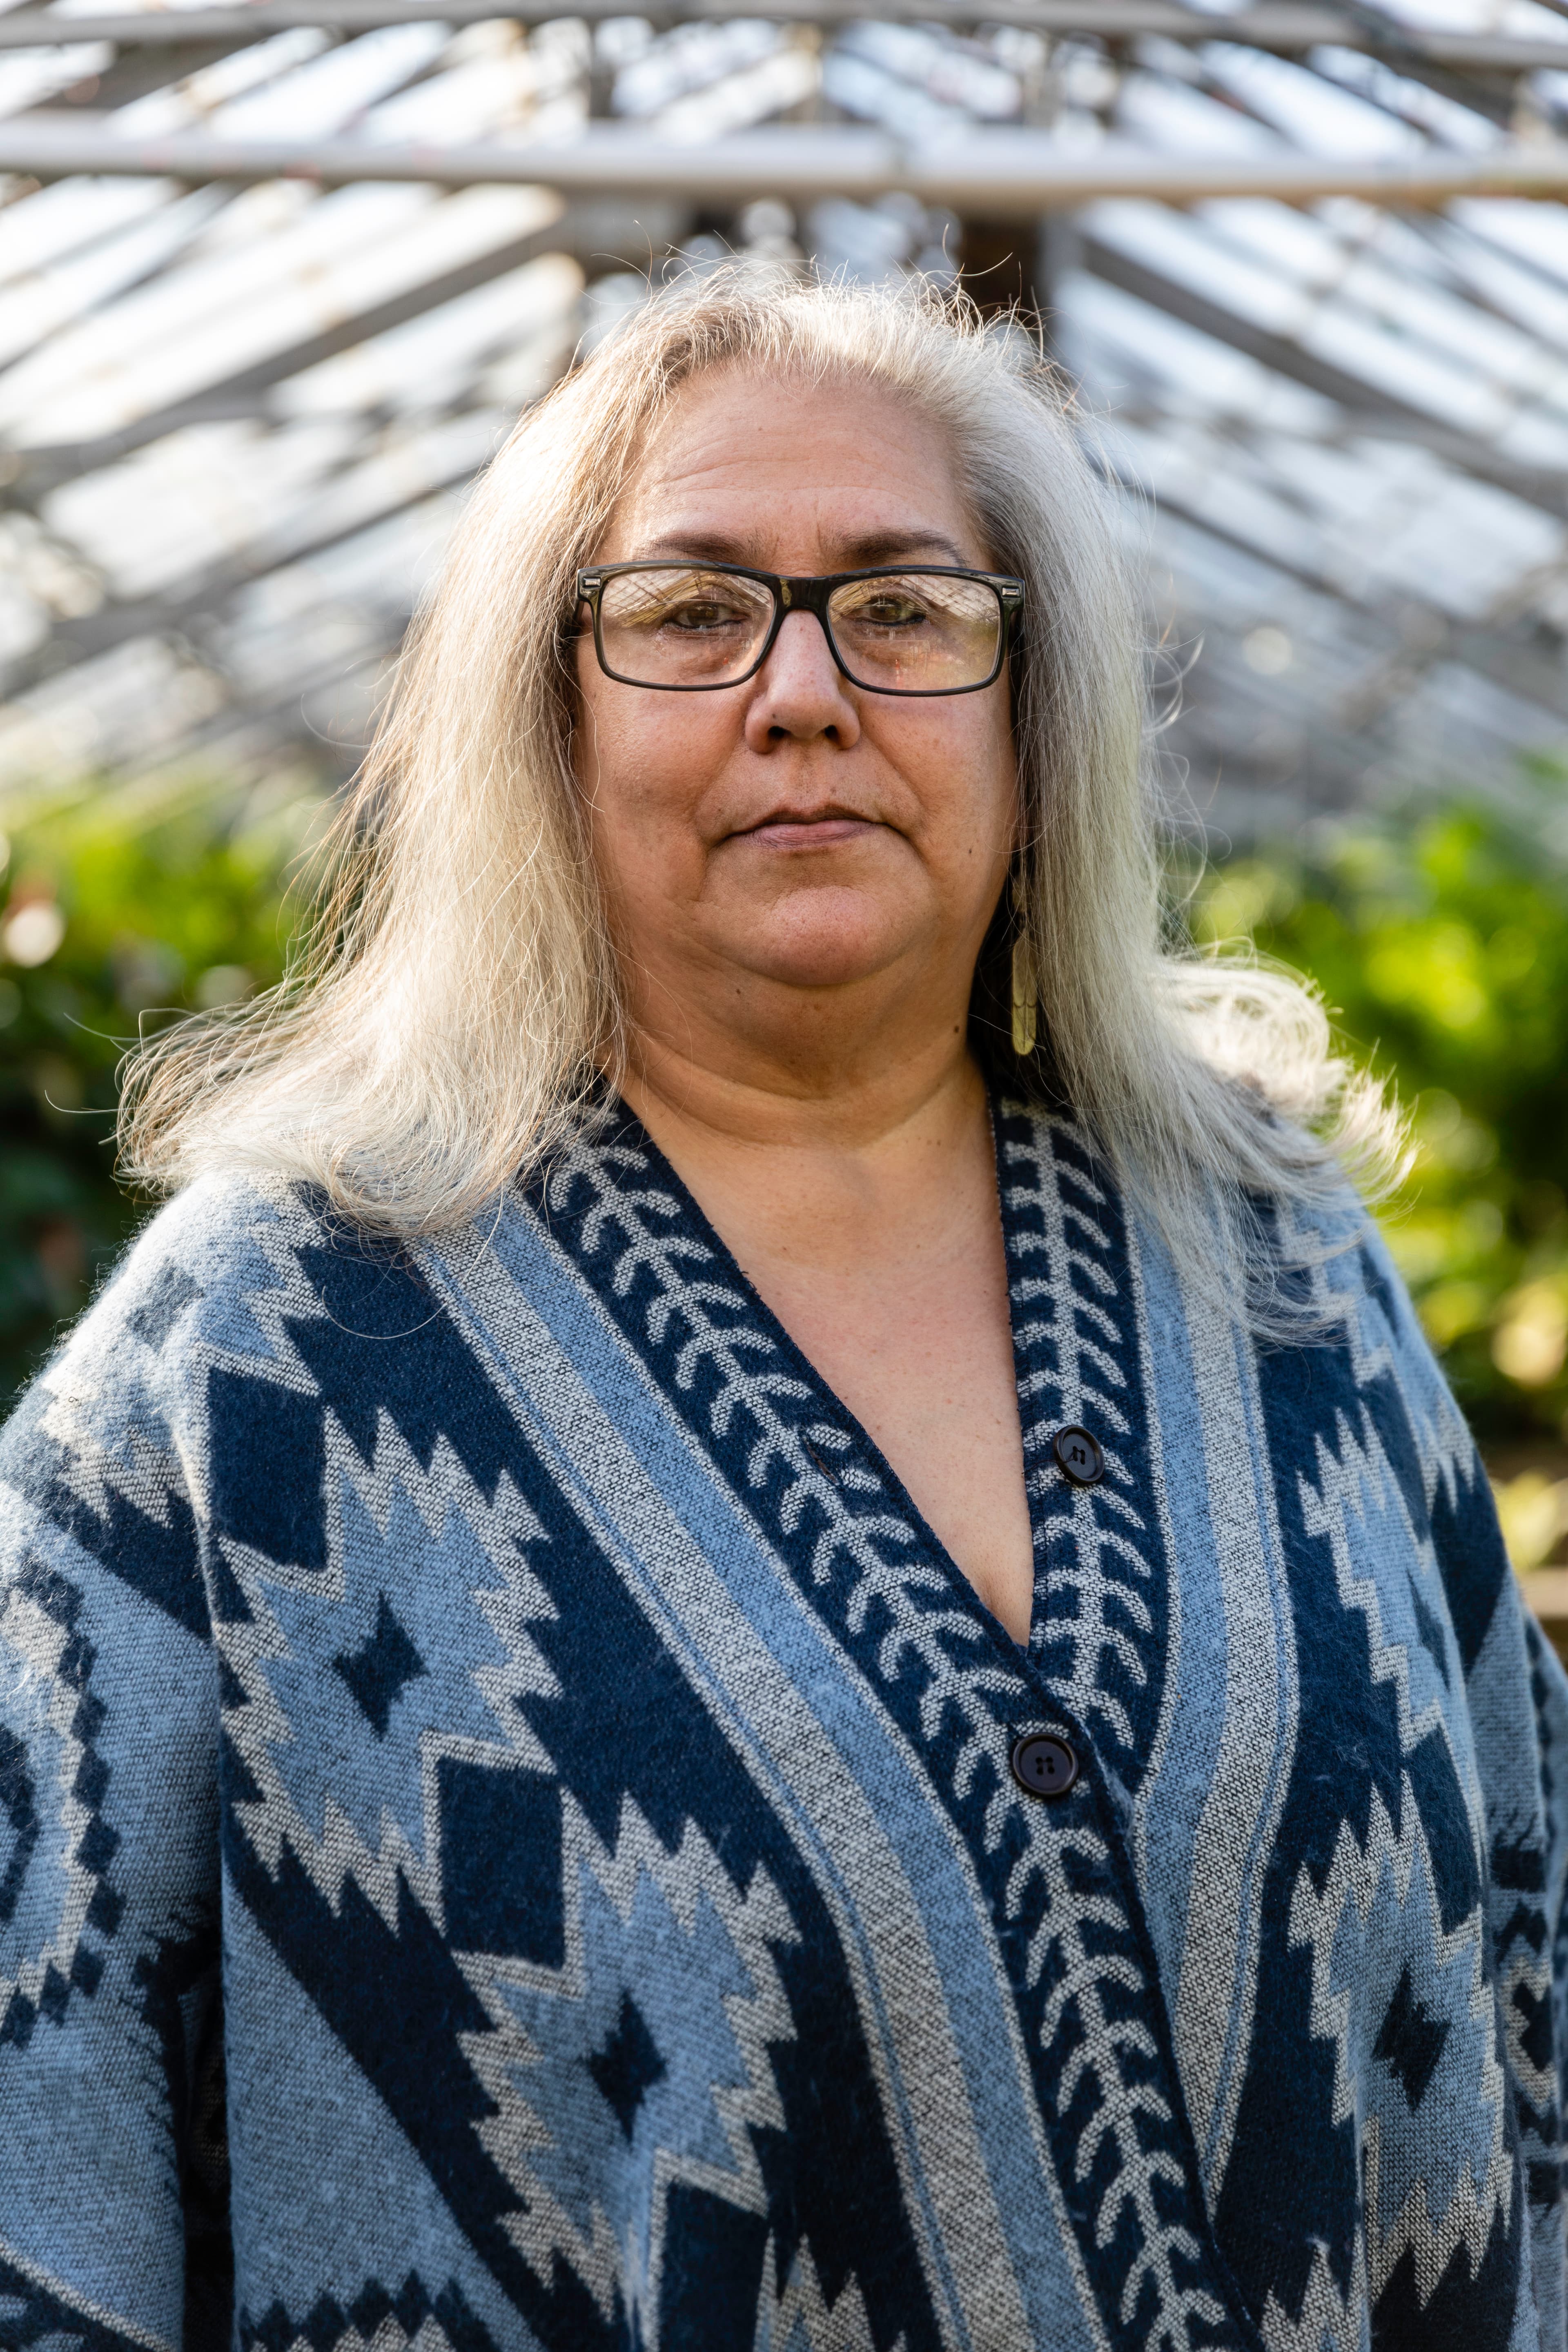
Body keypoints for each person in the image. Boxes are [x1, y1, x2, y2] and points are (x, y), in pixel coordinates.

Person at [0, 269, 1561, 2352]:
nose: (804, 694)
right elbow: (43, 2100)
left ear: (1036, 719)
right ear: (547, 721)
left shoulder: (1286, 1274)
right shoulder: (268, 1353)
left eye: (907, 609)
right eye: (688, 610)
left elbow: (1527, 1992)